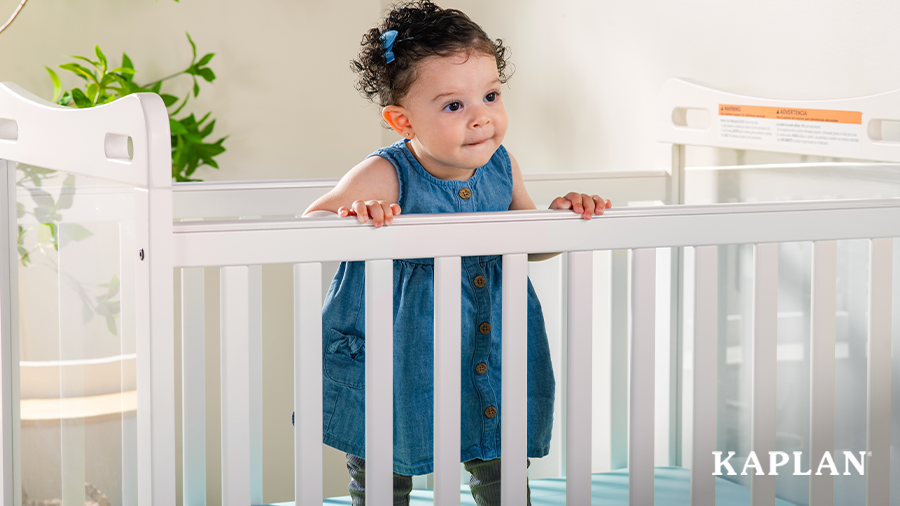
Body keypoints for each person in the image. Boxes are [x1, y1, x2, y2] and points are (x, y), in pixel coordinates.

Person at [302, 1, 611, 504]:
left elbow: (528, 242)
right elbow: (310, 226)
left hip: (484, 342)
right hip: (398, 346)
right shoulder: (385, 173)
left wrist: (562, 216)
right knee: (382, 454)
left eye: (490, 95)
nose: (481, 117)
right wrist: (355, 216)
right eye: (454, 106)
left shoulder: (502, 166)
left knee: (499, 451)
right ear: (402, 121)